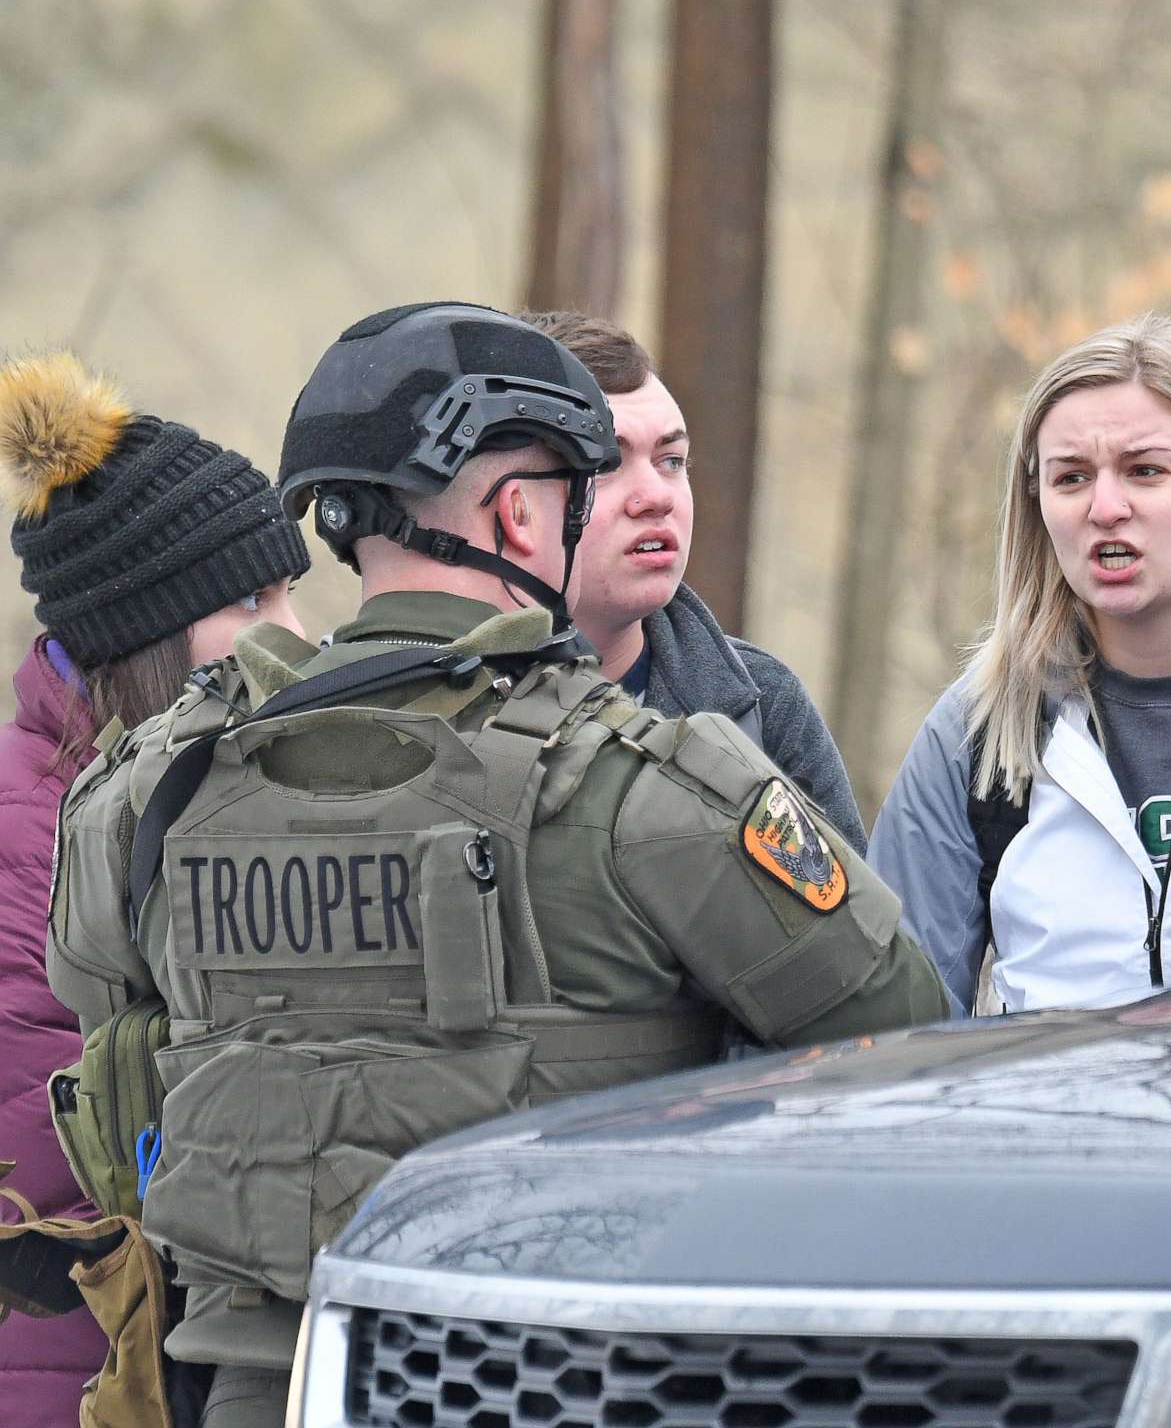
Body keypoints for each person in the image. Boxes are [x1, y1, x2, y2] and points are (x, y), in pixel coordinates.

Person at [46, 303, 946, 1428]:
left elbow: (99, 1006)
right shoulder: (645, 787)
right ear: (522, 514)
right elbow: (905, 1042)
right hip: (573, 1384)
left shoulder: (152, 786)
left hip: (253, 1392)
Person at [0, 353, 306, 1428]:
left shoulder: (182, 799)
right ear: (148, 632)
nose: (295, 633)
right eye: (252, 601)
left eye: (291, 593)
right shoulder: (31, 836)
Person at [868, 316, 1171, 1014]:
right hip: (1052, 1124)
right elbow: (898, 1033)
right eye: (1071, 478)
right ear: (1039, 505)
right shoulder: (976, 732)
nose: (1105, 508)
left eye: (1145, 471)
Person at [522, 311, 868, 849]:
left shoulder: (762, 705)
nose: (657, 495)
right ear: (511, 498)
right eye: (607, 462)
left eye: (672, 460)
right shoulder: (418, 701)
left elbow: (854, 929)